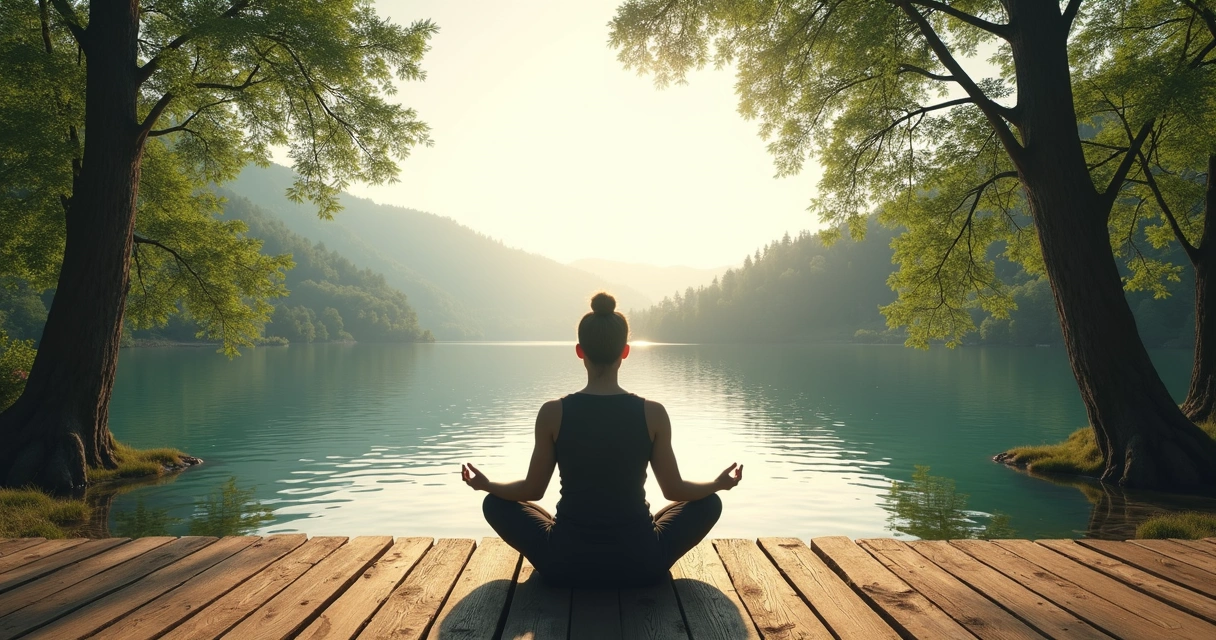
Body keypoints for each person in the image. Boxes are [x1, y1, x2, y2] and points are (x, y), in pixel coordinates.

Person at [460, 291, 742, 587]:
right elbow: (674, 489)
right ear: (626, 351)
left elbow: (533, 489)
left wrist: (485, 484)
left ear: (580, 351)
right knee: (709, 503)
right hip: (642, 562)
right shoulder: (653, 413)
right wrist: (718, 484)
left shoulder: (553, 412)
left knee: (494, 503)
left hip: (564, 562)